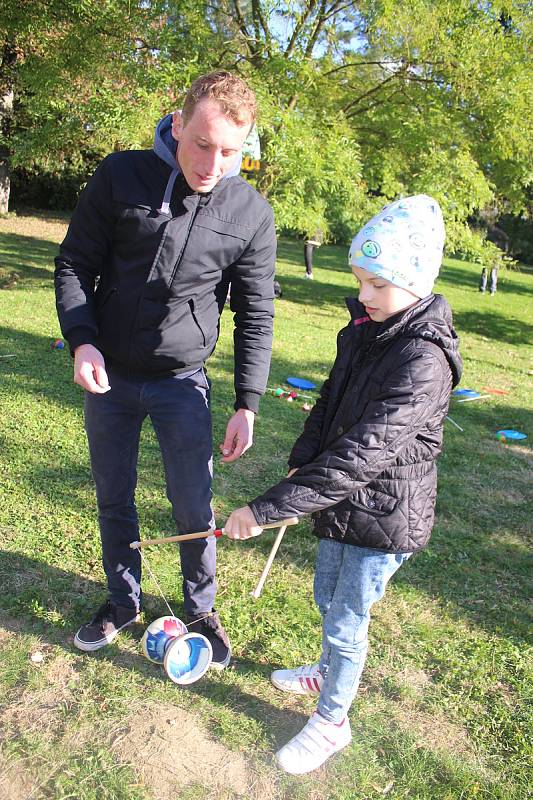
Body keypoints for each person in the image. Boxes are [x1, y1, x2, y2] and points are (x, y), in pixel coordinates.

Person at [224, 195, 462, 773]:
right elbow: (330, 402)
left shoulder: (423, 361)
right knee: (327, 598)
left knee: (348, 620)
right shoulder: (364, 329)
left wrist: (268, 509)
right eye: (360, 281)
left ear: (415, 283)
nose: (364, 296)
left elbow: (362, 453)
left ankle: (332, 722)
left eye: (378, 285)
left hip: (384, 515)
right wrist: (302, 457)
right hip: (342, 503)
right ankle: (328, 669)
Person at [54, 71, 276, 667]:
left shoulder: (250, 210)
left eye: (231, 151)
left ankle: (200, 608)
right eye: (202, 144)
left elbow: (256, 313)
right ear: (176, 124)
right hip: (112, 375)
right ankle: (122, 601)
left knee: (192, 504)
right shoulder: (121, 175)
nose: (213, 163)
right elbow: (74, 264)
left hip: (184, 382)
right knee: (114, 496)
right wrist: (82, 341)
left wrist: (247, 402)